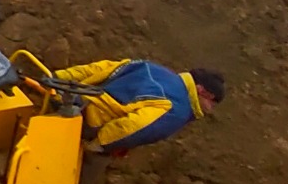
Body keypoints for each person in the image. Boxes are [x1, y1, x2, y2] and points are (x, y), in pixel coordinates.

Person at [57, 57, 225, 156]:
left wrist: (58, 78)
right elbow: (136, 127)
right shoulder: (178, 109)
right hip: (89, 123)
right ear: (201, 90)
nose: (210, 109)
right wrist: (98, 144)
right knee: (97, 159)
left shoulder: (152, 67)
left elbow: (103, 68)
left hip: (75, 98)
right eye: (212, 102)